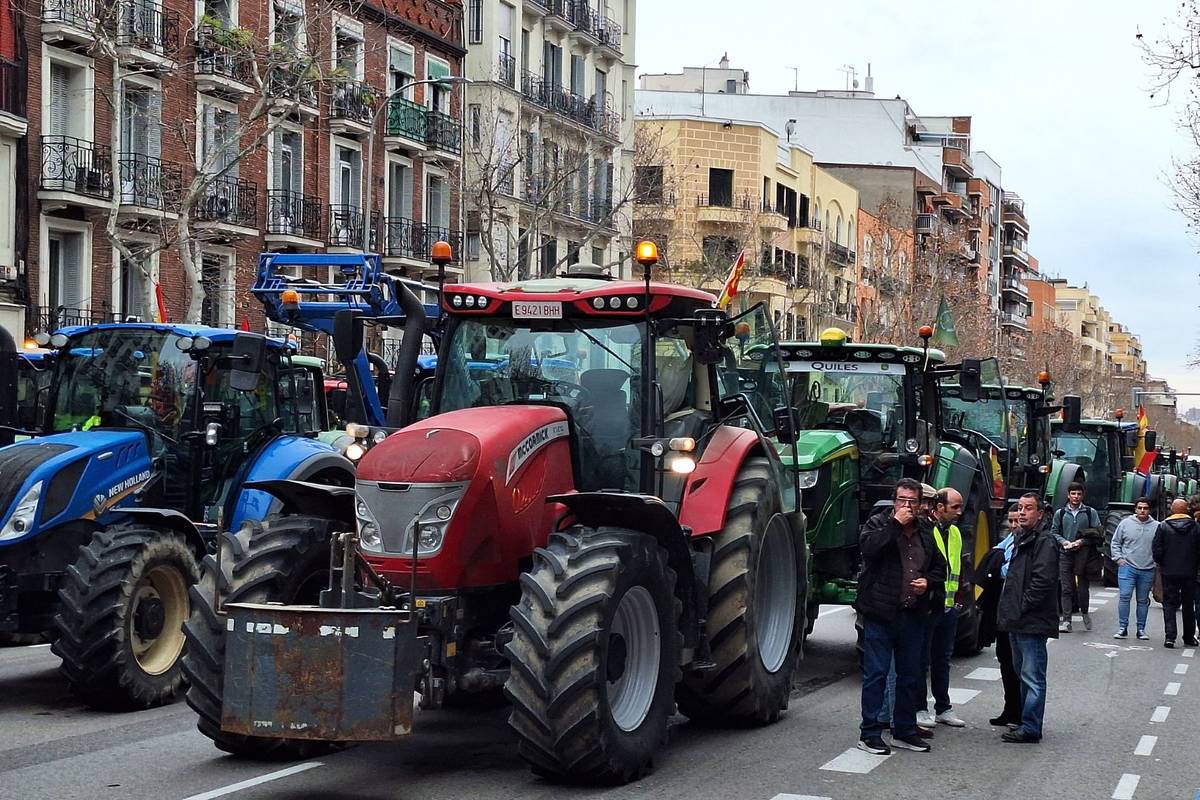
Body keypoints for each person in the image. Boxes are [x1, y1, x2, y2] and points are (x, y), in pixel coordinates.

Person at [856, 478, 947, 756]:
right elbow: (869, 549)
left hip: (912, 614)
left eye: (912, 501)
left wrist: (927, 583)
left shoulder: (927, 532)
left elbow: (939, 567)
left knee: (910, 676)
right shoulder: (878, 524)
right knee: (877, 675)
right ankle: (869, 732)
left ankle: (904, 731)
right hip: (881, 613)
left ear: (921, 505)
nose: (907, 506)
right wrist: (895, 524)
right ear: (894, 501)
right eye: (902, 500)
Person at [997, 493, 1059, 744]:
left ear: (1040, 513)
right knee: (1023, 673)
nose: (1022, 513)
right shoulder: (1022, 537)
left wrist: (1023, 606)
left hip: (1031, 620)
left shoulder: (1044, 541)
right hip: (1018, 618)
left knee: (1033, 676)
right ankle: (1025, 722)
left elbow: (1042, 581)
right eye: (1020, 508)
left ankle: (1031, 726)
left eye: (1028, 509)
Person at [916, 487, 967, 729]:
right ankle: (920, 707)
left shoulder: (955, 532)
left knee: (942, 659)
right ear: (939, 508)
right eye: (954, 507)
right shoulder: (927, 530)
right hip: (929, 606)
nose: (960, 512)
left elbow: (958, 567)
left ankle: (943, 707)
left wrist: (957, 600)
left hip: (948, 607)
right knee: (921, 659)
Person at [981, 508, 1023, 728]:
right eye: (1011, 521)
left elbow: (1012, 570)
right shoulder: (1006, 542)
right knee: (1005, 661)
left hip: (1018, 612)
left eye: (1018, 520)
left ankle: (1022, 713)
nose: (1014, 525)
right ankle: (1010, 709)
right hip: (1001, 610)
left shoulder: (1030, 544)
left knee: (1020, 665)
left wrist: (998, 567)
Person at [1050, 482, 1102, 632]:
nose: (1076, 497)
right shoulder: (1060, 513)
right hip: (1065, 554)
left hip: (1083, 555)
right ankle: (1066, 621)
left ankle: (1085, 612)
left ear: (1082, 495)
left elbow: (1097, 533)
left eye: (1079, 494)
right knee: (1066, 588)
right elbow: (1054, 532)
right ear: (1068, 495)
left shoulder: (1089, 512)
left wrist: (1082, 542)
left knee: (1083, 588)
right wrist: (1064, 542)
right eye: (1073, 494)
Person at [1151, 498, 1200, 648]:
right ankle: (1189, 637)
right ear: (1186, 510)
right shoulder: (1196, 527)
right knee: (1188, 605)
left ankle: (1170, 637)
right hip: (1190, 572)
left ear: (1172, 510)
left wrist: (1161, 563)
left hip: (1169, 571)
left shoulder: (1163, 526)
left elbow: (1157, 549)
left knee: (1169, 604)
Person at [1110, 498, 1158, 640]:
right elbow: (1115, 542)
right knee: (1125, 597)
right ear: (1135, 509)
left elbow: (1161, 546)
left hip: (1148, 568)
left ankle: (1141, 629)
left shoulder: (1157, 526)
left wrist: (1156, 562)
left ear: (1150, 510)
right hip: (1127, 567)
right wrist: (1119, 559)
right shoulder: (1125, 524)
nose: (1142, 511)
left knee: (1143, 600)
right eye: (1140, 508)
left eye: (1145, 508)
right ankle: (1122, 628)